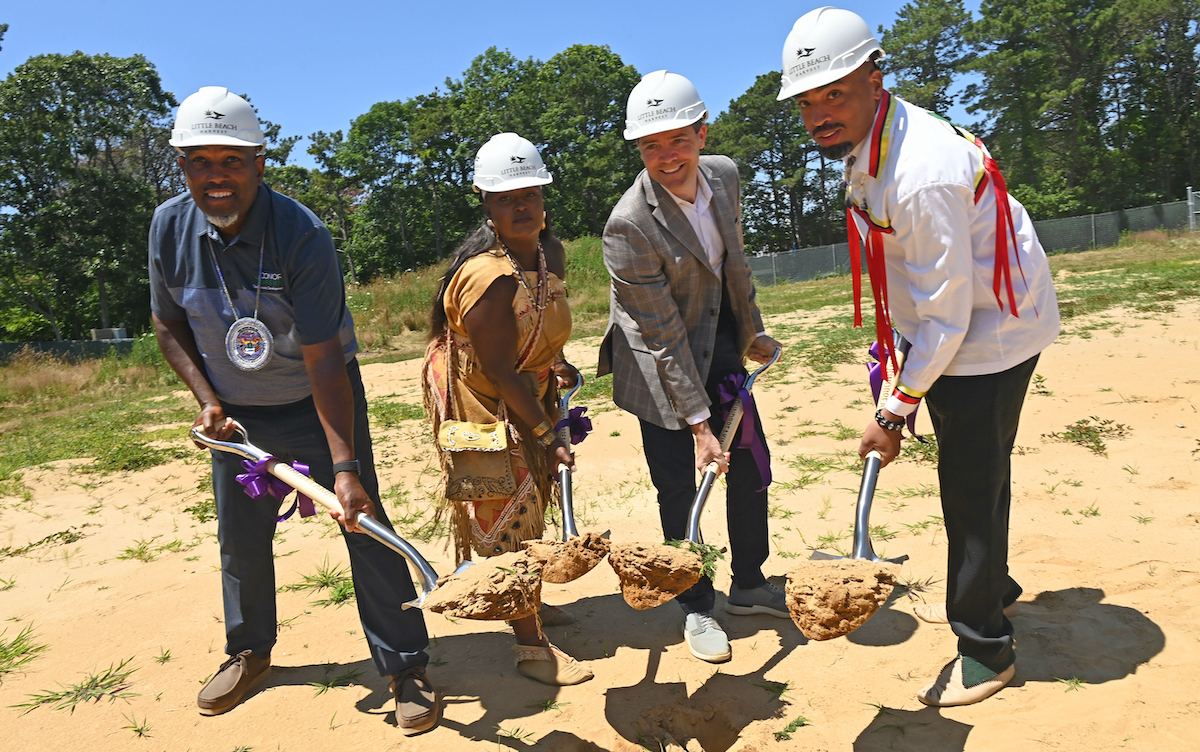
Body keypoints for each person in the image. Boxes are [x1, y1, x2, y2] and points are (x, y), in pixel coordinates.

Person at [777, 8, 1061, 705]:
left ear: (875, 77)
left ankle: (985, 646)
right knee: (982, 470)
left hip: (984, 338)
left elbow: (949, 316)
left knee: (969, 484)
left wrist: (894, 409)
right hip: (957, 328)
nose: (819, 113)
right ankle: (992, 585)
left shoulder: (921, 171)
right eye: (807, 101)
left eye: (833, 94)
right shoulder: (877, 140)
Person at [148, 87, 438, 732]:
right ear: (183, 167)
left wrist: (344, 465)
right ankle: (249, 651)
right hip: (238, 420)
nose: (215, 176)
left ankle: (405, 665)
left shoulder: (300, 234)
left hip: (318, 398)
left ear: (259, 161)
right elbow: (167, 325)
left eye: (231, 160)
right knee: (241, 538)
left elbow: (324, 356)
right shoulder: (169, 227)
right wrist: (209, 403)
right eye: (200, 161)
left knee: (363, 526)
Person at [598, 71, 785, 664]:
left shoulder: (724, 175)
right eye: (651, 145)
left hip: (720, 343)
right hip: (657, 366)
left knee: (751, 465)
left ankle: (750, 582)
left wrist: (750, 330)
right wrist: (700, 427)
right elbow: (661, 336)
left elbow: (736, 264)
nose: (666, 156)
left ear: (702, 134)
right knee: (683, 485)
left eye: (677, 139)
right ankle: (697, 604)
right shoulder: (628, 224)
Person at [422, 132, 594, 686]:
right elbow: (498, 369)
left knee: (535, 503)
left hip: (526, 388)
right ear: (487, 206)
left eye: (530, 195)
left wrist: (556, 363)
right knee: (507, 510)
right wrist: (547, 432)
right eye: (505, 198)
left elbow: (539, 326)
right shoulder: (488, 278)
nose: (521, 206)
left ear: (543, 198)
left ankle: (529, 602)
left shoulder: (550, 253)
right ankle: (530, 647)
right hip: (482, 403)